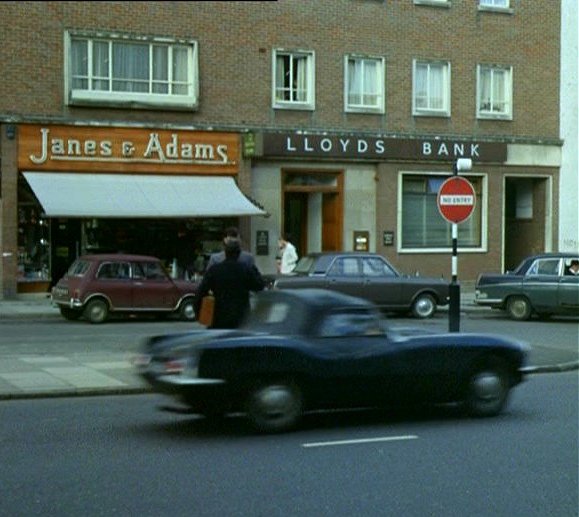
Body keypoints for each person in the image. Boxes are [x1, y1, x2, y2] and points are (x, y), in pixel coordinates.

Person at [194, 240, 265, 329]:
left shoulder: (215, 270)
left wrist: (198, 312)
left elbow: (201, 292)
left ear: (225, 253)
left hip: (219, 316)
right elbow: (260, 285)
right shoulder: (245, 269)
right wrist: (253, 268)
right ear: (239, 254)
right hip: (241, 317)